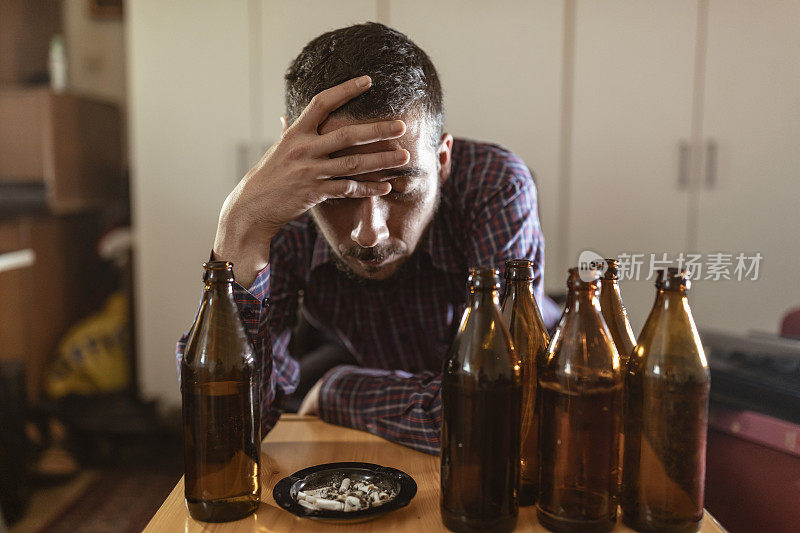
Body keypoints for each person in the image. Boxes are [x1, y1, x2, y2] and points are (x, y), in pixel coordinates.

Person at [177, 22, 560, 454]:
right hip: (383, 373)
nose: (369, 233)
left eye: (398, 190)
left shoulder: (495, 185)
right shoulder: (283, 211)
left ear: (443, 160)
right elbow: (222, 433)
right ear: (289, 153)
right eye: (337, 190)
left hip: (533, 357)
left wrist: (340, 391)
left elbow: (504, 414)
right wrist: (237, 227)